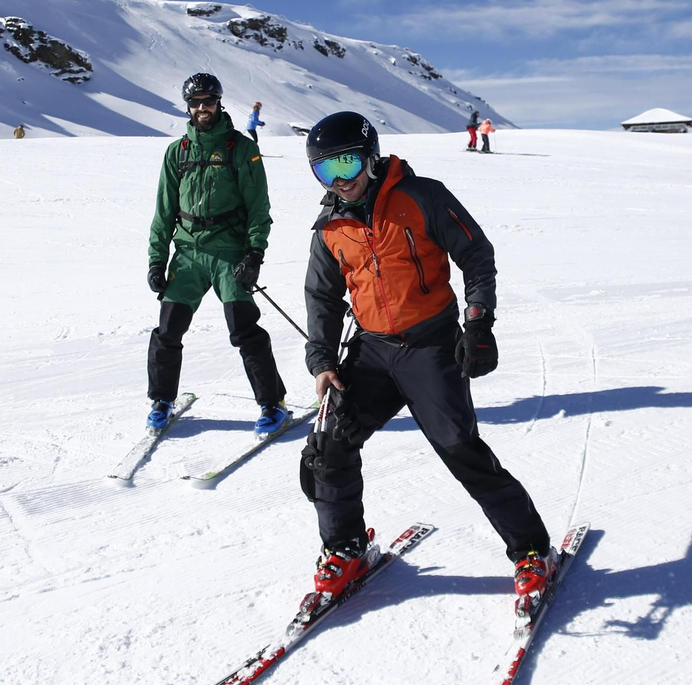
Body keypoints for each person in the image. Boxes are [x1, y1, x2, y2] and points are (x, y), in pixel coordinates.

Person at [299, 111, 554, 616]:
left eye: (347, 163)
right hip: (371, 351)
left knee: (462, 450)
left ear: (371, 157)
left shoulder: (424, 197)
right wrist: (323, 360)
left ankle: (530, 551)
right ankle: (346, 550)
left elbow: (476, 255)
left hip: (431, 346)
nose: (340, 180)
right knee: (329, 448)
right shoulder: (330, 226)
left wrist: (478, 323)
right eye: (326, 171)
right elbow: (322, 298)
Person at [146, 73, 290, 435]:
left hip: (229, 253)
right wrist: (156, 260)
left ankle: (272, 404)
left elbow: (259, 207)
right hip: (189, 254)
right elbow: (164, 211)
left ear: (219, 102)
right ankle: (161, 400)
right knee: (167, 331)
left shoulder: (241, 148)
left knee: (244, 331)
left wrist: (254, 253)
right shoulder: (177, 152)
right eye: (195, 103)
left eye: (208, 101)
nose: (201, 108)